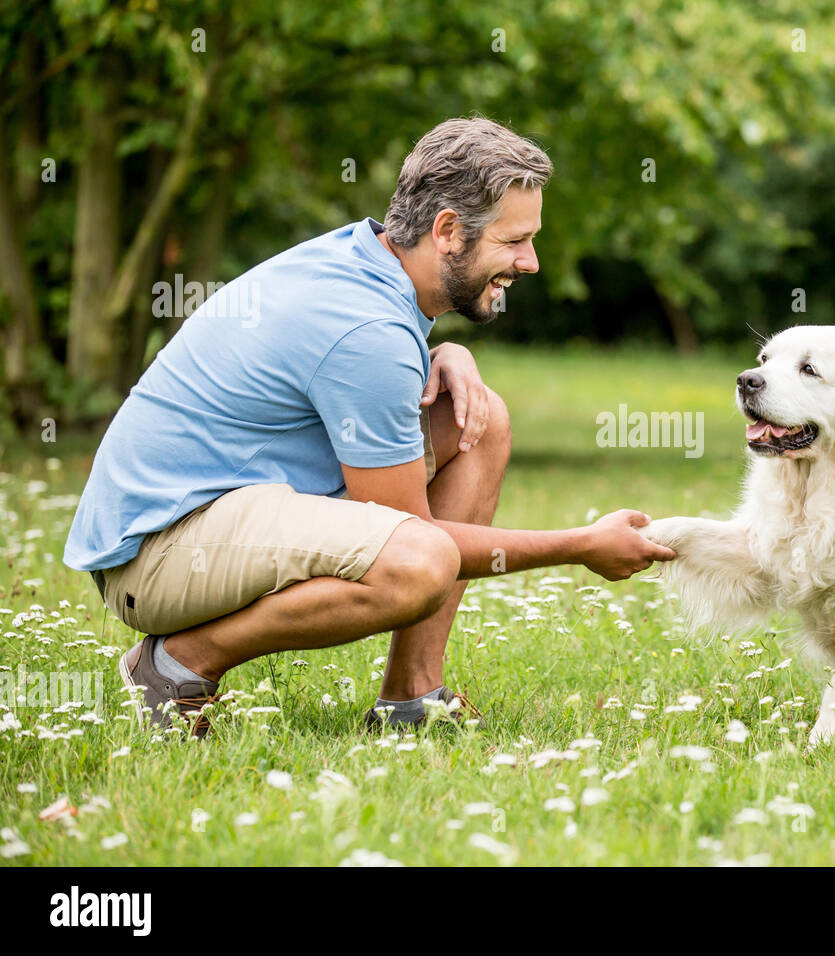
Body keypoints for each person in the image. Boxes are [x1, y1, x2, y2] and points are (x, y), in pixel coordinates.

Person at [61, 116, 675, 737]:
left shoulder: (366, 259)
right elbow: (410, 533)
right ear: (448, 231)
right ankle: (175, 667)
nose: (531, 262)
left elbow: (340, 372)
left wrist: (444, 355)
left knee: (479, 420)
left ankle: (411, 696)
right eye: (514, 241)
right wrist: (579, 545)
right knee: (419, 561)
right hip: (155, 555)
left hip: (210, 510)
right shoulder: (367, 330)